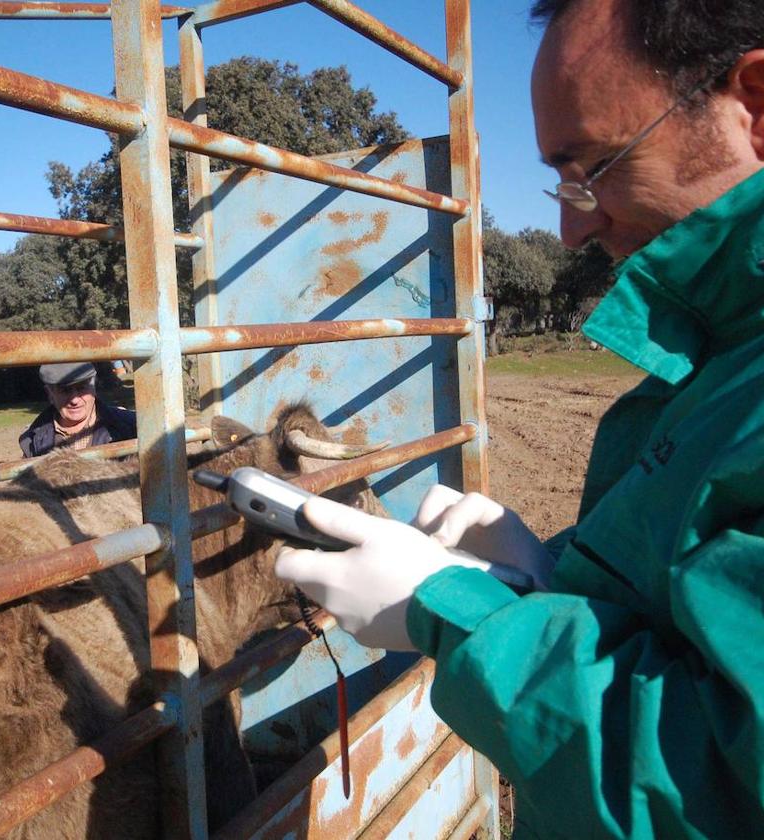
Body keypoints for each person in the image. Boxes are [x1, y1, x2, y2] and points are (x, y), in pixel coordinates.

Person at [275, 1, 764, 836]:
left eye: (594, 167)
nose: (571, 225)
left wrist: (457, 614)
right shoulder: (728, 357)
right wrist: (547, 575)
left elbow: (720, 785)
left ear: (753, 103)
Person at [18, 362, 137, 457]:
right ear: (50, 394)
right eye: (65, 390)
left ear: (94, 387)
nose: (74, 400)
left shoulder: (131, 427)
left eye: (82, 388)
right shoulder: (32, 440)